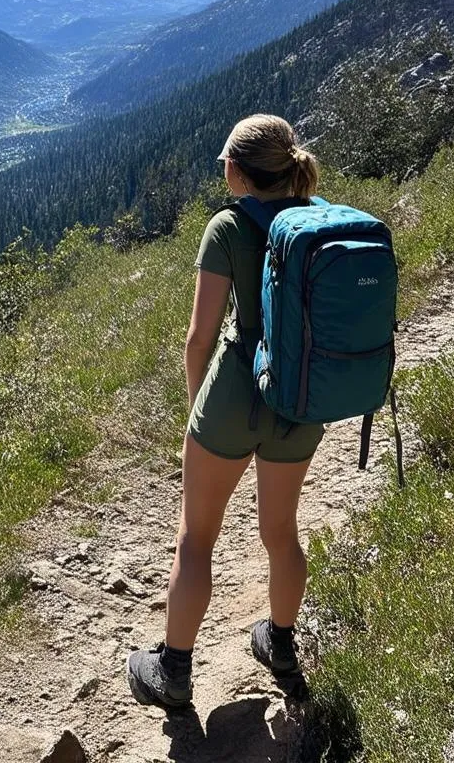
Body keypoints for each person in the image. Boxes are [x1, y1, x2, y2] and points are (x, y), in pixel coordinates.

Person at [127, 113, 323, 711]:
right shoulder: (316, 222)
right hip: (300, 400)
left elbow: (198, 338)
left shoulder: (228, 227)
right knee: (281, 531)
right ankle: (280, 644)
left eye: (225, 165)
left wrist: (196, 412)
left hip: (236, 395)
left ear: (237, 170)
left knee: (196, 538)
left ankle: (174, 668)